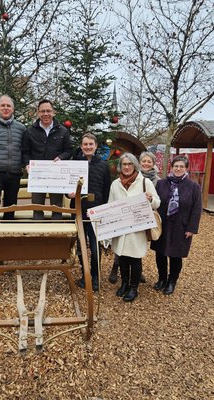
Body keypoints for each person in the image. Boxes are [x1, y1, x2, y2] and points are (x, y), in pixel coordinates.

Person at [108, 152, 160, 302]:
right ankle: (124, 283)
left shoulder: (145, 182)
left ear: (135, 165)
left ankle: (133, 288)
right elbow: (111, 205)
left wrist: (151, 199)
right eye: (124, 164)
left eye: (130, 164)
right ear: (120, 166)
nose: (127, 167)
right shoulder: (115, 184)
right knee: (122, 258)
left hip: (137, 228)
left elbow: (158, 202)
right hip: (121, 228)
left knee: (135, 259)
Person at [151, 155, 202, 295]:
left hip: (181, 226)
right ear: (171, 168)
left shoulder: (193, 187)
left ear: (186, 168)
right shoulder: (161, 183)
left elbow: (197, 209)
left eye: (181, 166)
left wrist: (192, 228)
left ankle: (172, 281)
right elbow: (155, 203)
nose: (178, 169)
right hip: (163, 224)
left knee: (175, 255)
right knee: (160, 253)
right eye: (176, 166)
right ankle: (161, 279)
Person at [69, 133, 111, 291]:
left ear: (95, 147)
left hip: (96, 211)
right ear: (81, 146)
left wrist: (104, 209)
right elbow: (67, 186)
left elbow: (106, 189)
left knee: (94, 246)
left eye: (90, 144)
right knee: (80, 244)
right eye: (85, 144)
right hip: (78, 209)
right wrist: (68, 194)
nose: (87, 147)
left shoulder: (103, 165)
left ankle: (95, 276)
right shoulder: (74, 164)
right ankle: (84, 273)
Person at [22, 99, 73, 219]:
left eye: (48, 111)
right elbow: (25, 152)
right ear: (38, 113)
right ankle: (39, 236)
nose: (46, 114)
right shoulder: (29, 131)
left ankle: (57, 236)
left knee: (57, 209)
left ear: (53, 112)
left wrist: (61, 157)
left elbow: (69, 150)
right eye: (42, 111)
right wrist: (27, 165)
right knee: (37, 209)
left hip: (56, 176)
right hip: (37, 176)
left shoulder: (63, 131)